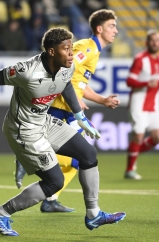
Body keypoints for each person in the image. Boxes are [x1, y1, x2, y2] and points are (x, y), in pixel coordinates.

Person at [0, 27, 126, 236]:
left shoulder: (67, 65)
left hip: (44, 121)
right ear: (51, 51)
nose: (71, 53)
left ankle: (93, 214)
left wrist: (79, 116)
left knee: (88, 154)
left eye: (71, 47)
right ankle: (1, 212)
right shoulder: (25, 71)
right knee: (54, 182)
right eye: (66, 48)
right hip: (23, 131)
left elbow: (65, 85)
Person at [15, 9, 121, 213]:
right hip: (59, 108)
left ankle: (50, 199)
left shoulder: (95, 51)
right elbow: (63, 71)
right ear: (99, 29)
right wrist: (75, 101)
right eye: (111, 26)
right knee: (81, 156)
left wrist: (102, 100)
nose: (115, 30)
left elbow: (79, 82)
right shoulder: (85, 48)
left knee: (77, 161)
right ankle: (27, 157)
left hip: (67, 110)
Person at [124, 29, 159, 180]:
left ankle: (133, 152)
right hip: (138, 103)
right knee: (138, 136)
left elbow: (157, 80)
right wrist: (146, 83)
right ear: (147, 42)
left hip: (154, 105)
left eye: (157, 40)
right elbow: (129, 81)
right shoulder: (140, 59)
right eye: (152, 40)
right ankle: (130, 170)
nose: (155, 43)